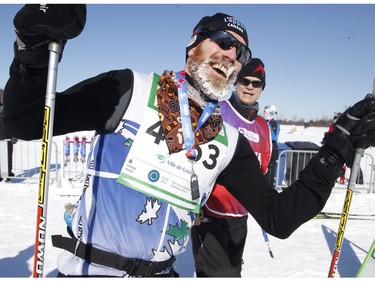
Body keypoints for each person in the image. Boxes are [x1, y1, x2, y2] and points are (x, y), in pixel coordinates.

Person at [4, 4, 375, 277]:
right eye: (223, 42)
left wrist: (334, 152)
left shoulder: (228, 141)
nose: (231, 55)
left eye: (239, 52)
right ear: (193, 45)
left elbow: (278, 218)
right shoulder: (130, 88)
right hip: (90, 270)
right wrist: (31, 54)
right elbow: (25, 121)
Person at [191, 58, 271, 277]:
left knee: (233, 272)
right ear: (236, 82)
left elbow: (262, 172)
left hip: (240, 217)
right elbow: (193, 159)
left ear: (262, 89)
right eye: (245, 81)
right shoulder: (217, 112)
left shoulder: (264, 127)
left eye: (257, 83)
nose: (250, 87)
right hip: (210, 214)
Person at [0, 89, 17, 182]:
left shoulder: (7, 110)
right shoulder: (7, 111)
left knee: (5, 156)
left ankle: (6, 174)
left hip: (6, 136)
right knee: (6, 156)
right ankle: (6, 174)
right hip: (6, 136)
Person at [263, 104, 280, 189]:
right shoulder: (264, 121)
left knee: (270, 171)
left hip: (272, 150)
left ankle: (269, 189)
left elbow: (274, 137)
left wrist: (266, 128)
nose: (264, 113)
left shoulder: (274, 123)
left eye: (266, 112)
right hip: (264, 149)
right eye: (264, 112)